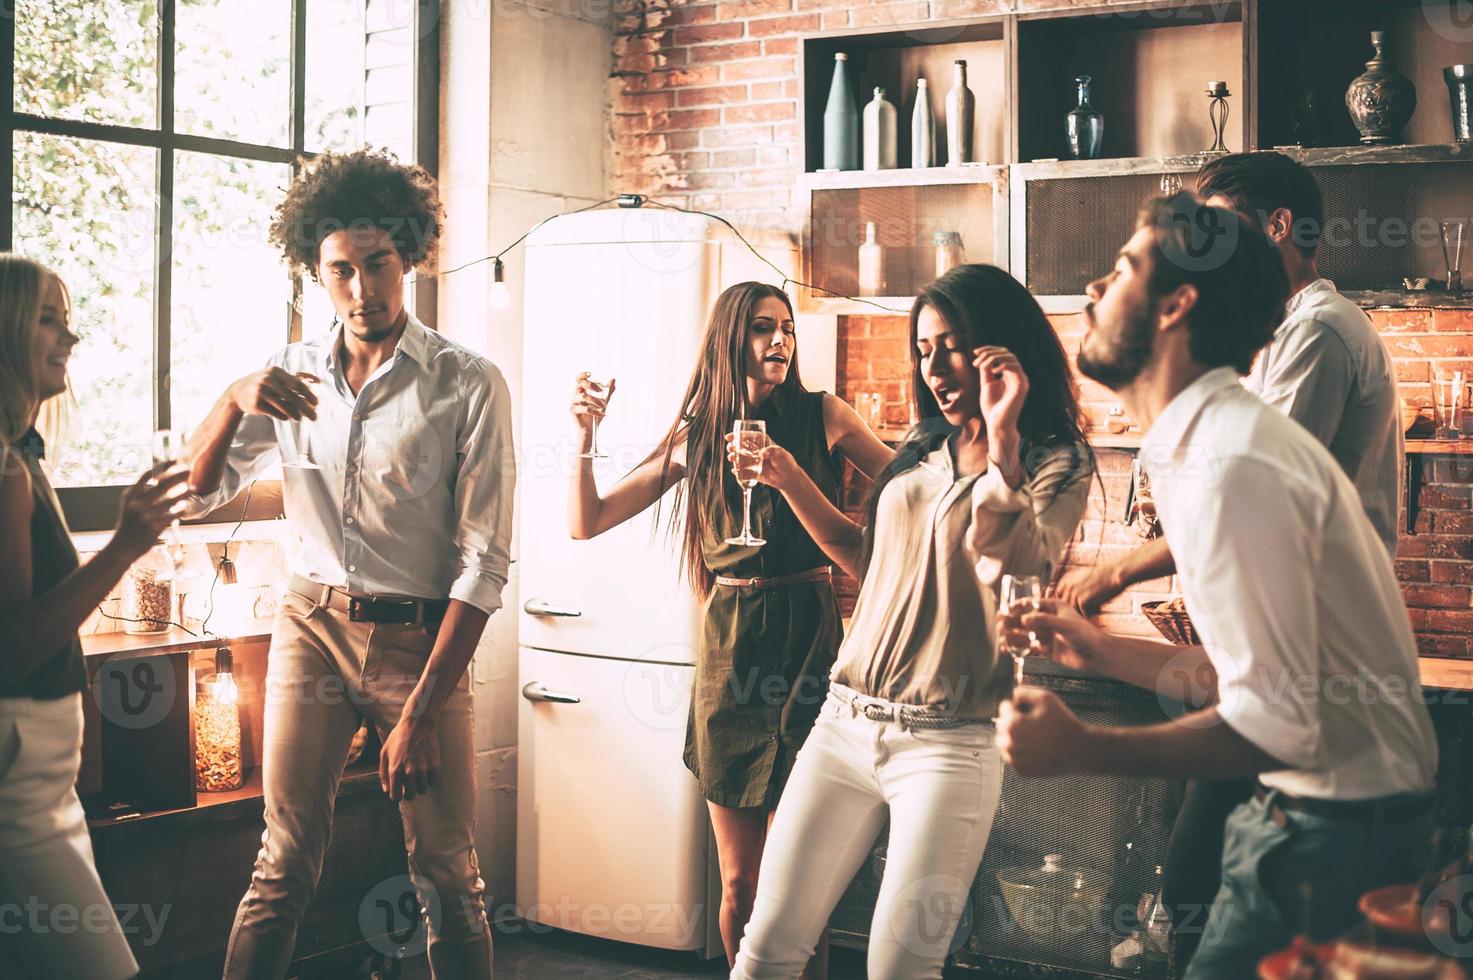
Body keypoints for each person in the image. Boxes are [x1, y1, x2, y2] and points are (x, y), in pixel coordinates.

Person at [999, 195, 1438, 979]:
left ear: (1176, 305)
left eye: (1121, 268)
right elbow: (1247, 687)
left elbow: (1278, 724)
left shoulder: (1230, 463)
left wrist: (1082, 747)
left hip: (1330, 844)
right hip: (1307, 821)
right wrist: (1099, 654)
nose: (1093, 291)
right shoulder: (1200, 448)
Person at [185, 149, 514, 979]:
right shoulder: (290, 378)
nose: (363, 289)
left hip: (422, 644)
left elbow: (483, 564)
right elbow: (195, 495)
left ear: (408, 257)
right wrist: (231, 398)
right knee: (282, 862)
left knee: (448, 876)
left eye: (378, 265)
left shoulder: (467, 384)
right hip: (310, 626)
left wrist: (422, 711)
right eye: (342, 271)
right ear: (315, 272)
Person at [730, 264, 1094, 979]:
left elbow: (1015, 574)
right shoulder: (919, 449)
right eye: (923, 349)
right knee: (766, 951)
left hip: (948, 746)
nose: (934, 367)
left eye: (951, 345)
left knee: (899, 969)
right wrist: (784, 476)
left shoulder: (1057, 462)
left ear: (1000, 348)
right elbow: (863, 559)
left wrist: (1004, 448)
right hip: (841, 725)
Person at [569, 281, 893, 976]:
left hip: (808, 641)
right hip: (729, 652)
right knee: (742, 881)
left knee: (802, 885)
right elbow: (586, 520)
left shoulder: (822, 414)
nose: (779, 342)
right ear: (729, 340)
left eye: (786, 330)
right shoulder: (697, 436)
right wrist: (585, 438)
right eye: (761, 330)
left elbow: (908, 492)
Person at [0, 255, 190, 979]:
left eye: (67, 318)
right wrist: (127, 546)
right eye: (47, 317)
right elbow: (13, 647)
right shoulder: (5, 467)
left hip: (37, 778)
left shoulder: (20, 455)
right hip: (17, 781)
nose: (68, 337)